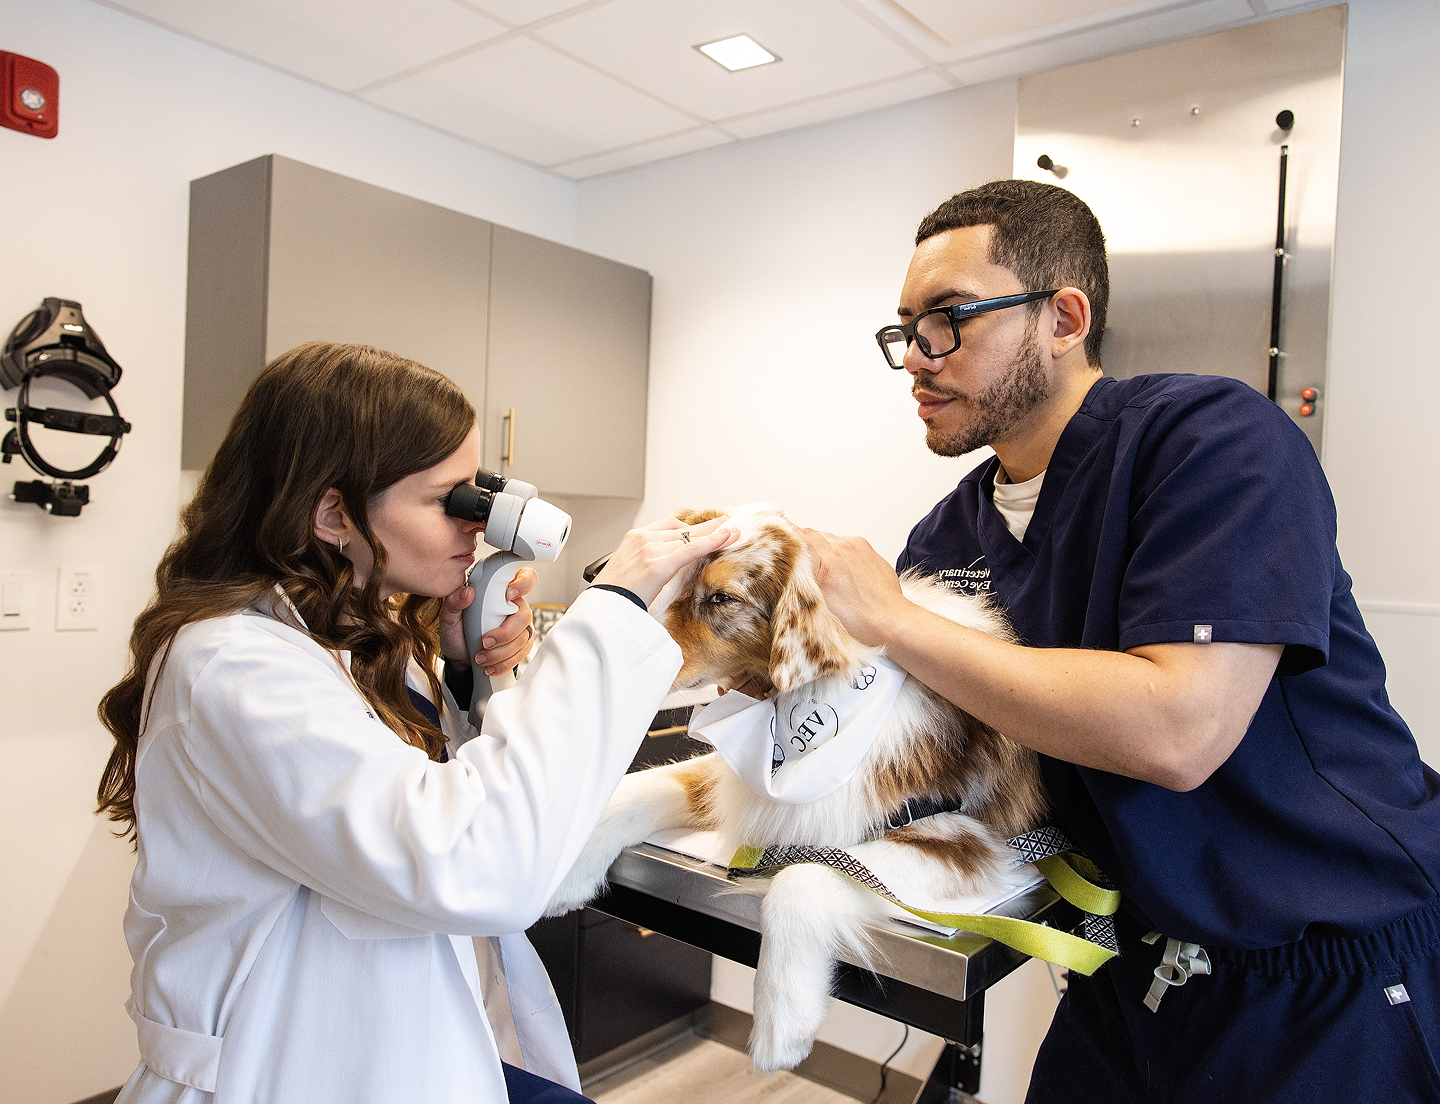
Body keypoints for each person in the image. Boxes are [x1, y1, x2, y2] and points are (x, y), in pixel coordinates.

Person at [803, 180, 1440, 1101]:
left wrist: (894, 622)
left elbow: (1178, 732)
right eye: (904, 328)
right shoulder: (949, 535)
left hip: (1321, 969)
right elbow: (938, 742)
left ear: (1063, 317)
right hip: (1126, 963)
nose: (916, 357)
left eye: (948, 320)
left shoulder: (1213, 443)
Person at [96, 341, 735, 1104]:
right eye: (449, 500)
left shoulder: (358, 640)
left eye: (480, 493)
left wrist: (466, 675)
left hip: (405, 1050)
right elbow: (471, 861)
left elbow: (461, 794)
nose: (480, 524)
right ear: (334, 512)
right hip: (287, 1071)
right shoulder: (232, 664)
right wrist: (615, 610)